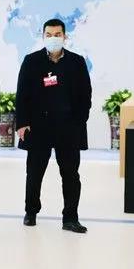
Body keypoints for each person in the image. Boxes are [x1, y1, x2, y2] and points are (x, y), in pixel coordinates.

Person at [15, 18, 91, 234]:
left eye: (57, 35)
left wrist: (79, 122)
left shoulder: (76, 62)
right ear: (43, 36)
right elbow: (22, 94)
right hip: (38, 127)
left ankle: (71, 217)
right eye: (49, 35)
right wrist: (22, 123)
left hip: (68, 127)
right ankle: (31, 212)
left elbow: (86, 95)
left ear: (65, 36)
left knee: (70, 174)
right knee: (34, 173)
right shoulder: (32, 61)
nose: (53, 38)